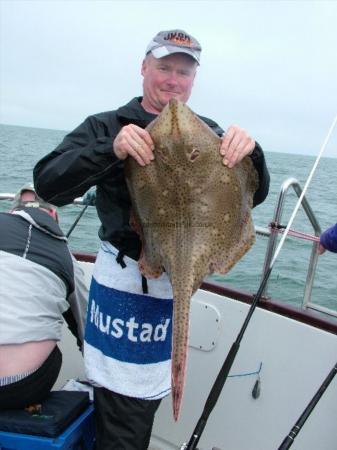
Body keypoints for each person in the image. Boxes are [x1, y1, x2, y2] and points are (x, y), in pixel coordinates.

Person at [33, 29, 270, 449]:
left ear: (194, 79)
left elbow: (254, 194)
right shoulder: (107, 126)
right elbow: (49, 184)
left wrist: (253, 154)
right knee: (125, 408)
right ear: (144, 68)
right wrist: (111, 149)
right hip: (125, 282)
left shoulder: (212, 133)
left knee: (140, 403)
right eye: (164, 67)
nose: (173, 80)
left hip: (176, 279)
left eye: (184, 71)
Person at [0, 183, 88, 410]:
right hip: (14, 388)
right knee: (54, 353)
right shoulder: (67, 259)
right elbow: (87, 332)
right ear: (54, 216)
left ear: (12, 211)